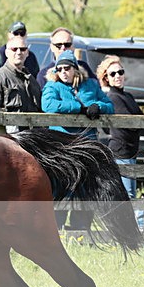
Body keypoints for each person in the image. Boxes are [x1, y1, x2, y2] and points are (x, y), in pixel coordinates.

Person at [42, 50, 113, 230]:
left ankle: (81, 230)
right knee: (62, 186)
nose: (63, 72)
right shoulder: (53, 86)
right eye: (60, 69)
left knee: (85, 188)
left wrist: (97, 106)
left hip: (87, 144)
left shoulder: (90, 84)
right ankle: (56, 229)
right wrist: (79, 108)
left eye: (67, 68)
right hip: (62, 145)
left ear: (75, 68)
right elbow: (48, 105)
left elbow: (109, 105)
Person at [97, 55, 144, 230]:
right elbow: (131, 124)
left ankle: (128, 230)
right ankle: (131, 231)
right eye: (113, 73)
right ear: (106, 78)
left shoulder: (127, 96)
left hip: (131, 151)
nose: (118, 76)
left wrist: (138, 123)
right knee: (128, 194)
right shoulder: (113, 97)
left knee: (129, 193)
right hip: (120, 152)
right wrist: (137, 123)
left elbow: (141, 120)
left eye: (120, 72)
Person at [0, 34, 42, 132]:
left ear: (27, 53)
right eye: (14, 49)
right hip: (7, 140)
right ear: (7, 52)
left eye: (23, 49)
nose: (19, 52)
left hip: (33, 139)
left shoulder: (31, 80)